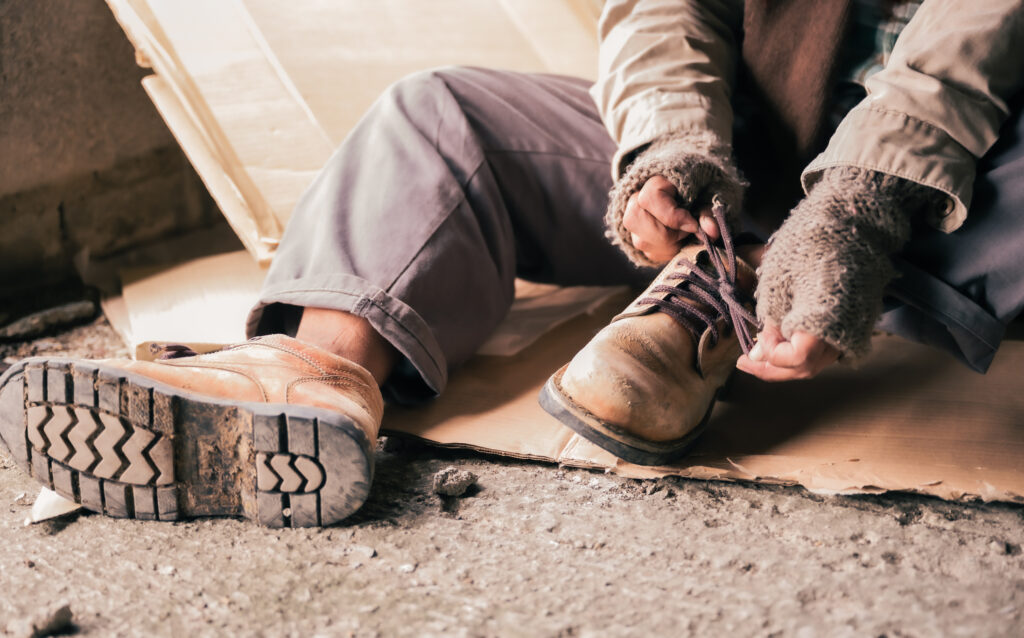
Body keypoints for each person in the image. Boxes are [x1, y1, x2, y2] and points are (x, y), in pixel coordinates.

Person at [1, 0, 1022, 525]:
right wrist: (669, 146)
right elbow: (661, 10)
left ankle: (739, 281)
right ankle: (314, 372)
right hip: (762, 135)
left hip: (969, 158)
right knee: (438, 112)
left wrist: (860, 197)